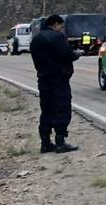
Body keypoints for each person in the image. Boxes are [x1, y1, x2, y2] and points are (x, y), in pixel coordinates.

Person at [29, 13, 81, 153]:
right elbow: (67, 55)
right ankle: (60, 141)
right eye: (61, 26)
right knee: (62, 108)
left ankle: (45, 142)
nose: (61, 29)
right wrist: (77, 54)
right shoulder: (57, 37)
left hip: (43, 79)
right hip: (59, 79)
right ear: (55, 24)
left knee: (46, 110)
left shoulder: (36, 39)